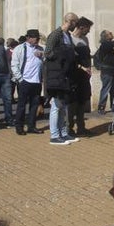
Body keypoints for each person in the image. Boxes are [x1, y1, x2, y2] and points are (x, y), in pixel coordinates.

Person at [44, 16, 79, 146]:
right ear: (69, 21)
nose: (75, 26)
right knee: (56, 106)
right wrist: (61, 56)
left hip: (66, 74)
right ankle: (54, 135)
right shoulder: (55, 34)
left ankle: (63, 133)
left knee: (64, 106)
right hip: (56, 74)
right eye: (75, 23)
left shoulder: (67, 35)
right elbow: (47, 53)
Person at [10, 29, 44, 136]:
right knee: (21, 105)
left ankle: (31, 126)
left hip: (36, 81)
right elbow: (14, 65)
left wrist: (42, 55)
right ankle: (19, 126)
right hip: (25, 81)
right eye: (35, 38)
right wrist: (20, 79)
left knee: (34, 105)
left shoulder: (40, 48)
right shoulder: (20, 49)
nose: (37, 40)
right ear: (28, 38)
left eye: (38, 38)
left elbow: (47, 58)